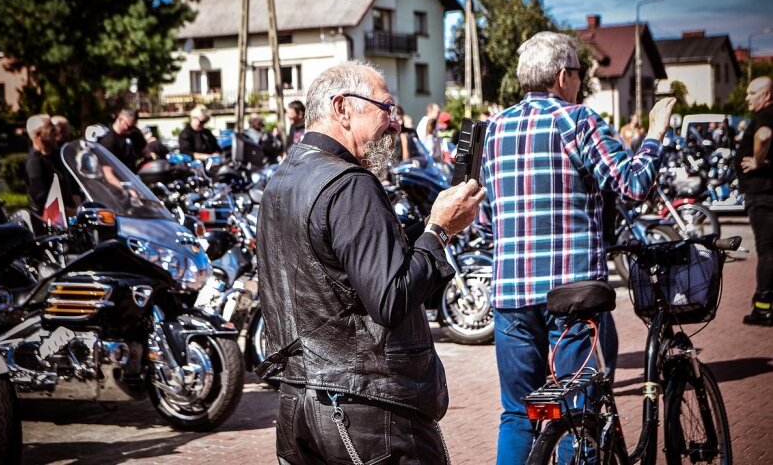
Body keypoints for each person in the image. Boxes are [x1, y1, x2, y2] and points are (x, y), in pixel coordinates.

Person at [255, 60, 485, 464]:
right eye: (385, 108)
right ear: (342, 108)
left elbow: (342, 266)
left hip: (300, 404)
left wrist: (429, 225)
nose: (394, 125)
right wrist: (439, 234)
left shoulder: (284, 178)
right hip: (366, 411)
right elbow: (391, 297)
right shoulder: (349, 184)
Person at [482, 31, 675, 464]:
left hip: (511, 294)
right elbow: (633, 184)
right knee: (578, 412)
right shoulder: (578, 121)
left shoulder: (492, 129)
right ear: (564, 76)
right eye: (578, 74)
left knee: (517, 413)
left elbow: (480, 217)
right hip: (571, 295)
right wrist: (656, 134)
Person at [737, 76, 773, 326]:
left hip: (763, 195)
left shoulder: (765, 116)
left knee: (766, 251)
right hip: (766, 193)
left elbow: (764, 134)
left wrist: (758, 161)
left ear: (766, 95)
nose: (747, 97)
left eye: (752, 93)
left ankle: (762, 307)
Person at [25, 115, 79, 217]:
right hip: (53, 225)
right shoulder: (35, 164)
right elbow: (46, 205)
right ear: (39, 135)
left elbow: (74, 184)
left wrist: (77, 203)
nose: (56, 132)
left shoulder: (58, 155)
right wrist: (76, 214)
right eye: (52, 129)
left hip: (71, 217)